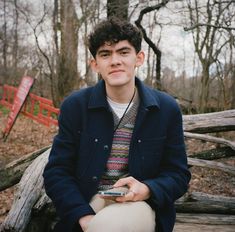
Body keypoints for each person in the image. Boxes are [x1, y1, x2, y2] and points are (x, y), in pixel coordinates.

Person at [43, 17, 191, 232]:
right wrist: (83, 217)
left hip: (140, 204)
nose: (115, 61)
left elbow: (178, 174)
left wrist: (147, 189)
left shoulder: (166, 109)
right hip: (87, 203)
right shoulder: (75, 106)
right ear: (95, 64)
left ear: (139, 58)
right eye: (105, 54)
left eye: (123, 52)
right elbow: (57, 172)